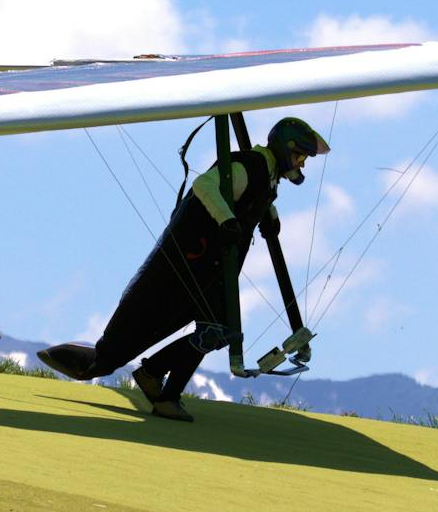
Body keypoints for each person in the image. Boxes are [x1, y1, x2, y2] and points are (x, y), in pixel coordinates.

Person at [38, 116, 330, 421]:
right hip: (193, 260)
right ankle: (159, 387)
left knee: (215, 331)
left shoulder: (266, 174)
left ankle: (153, 376)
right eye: (300, 156)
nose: (302, 164)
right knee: (214, 330)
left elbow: (251, 196)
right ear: (286, 149)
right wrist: (226, 220)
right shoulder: (251, 165)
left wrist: (268, 213)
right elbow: (205, 185)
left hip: (213, 268)